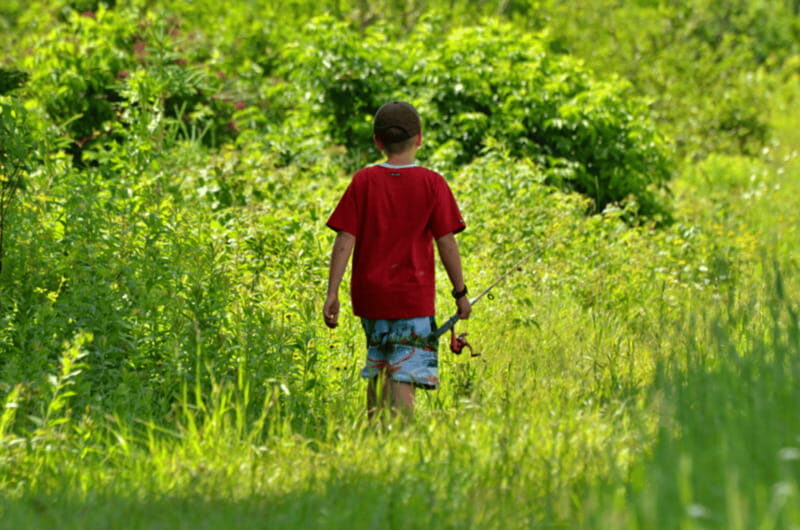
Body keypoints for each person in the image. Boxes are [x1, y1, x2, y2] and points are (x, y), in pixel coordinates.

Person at [323, 100, 471, 419]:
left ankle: (374, 432)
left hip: (371, 295)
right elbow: (446, 242)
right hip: (411, 295)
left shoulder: (363, 181)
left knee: (378, 362)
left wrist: (332, 293)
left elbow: (344, 239)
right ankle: (398, 440)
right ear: (419, 138)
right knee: (403, 370)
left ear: (378, 142)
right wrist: (460, 293)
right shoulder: (432, 184)